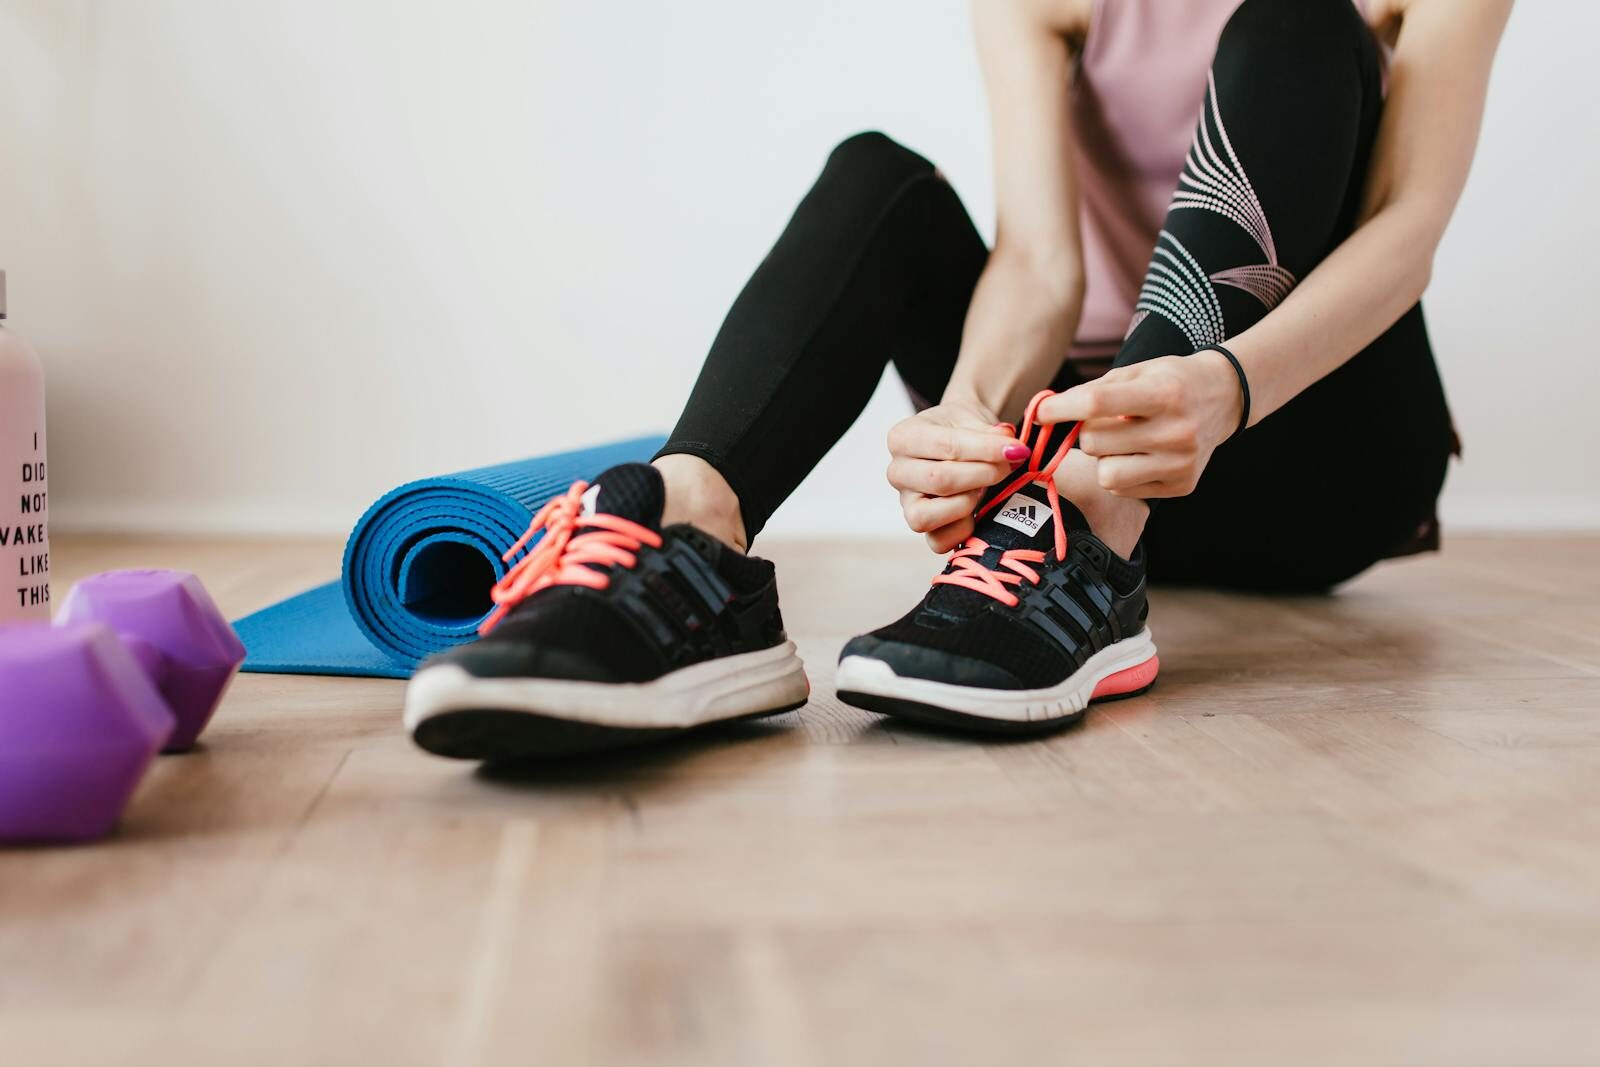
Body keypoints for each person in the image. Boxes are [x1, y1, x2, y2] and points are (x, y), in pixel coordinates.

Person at [402, 0, 1512, 758]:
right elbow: (1038, 258)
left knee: (1296, 17)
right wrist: (969, 409)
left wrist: (1219, 384)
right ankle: (692, 539)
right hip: (1071, 432)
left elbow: (1406, 230)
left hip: (1305, 437)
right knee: (875, 179)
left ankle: (1087, 526)